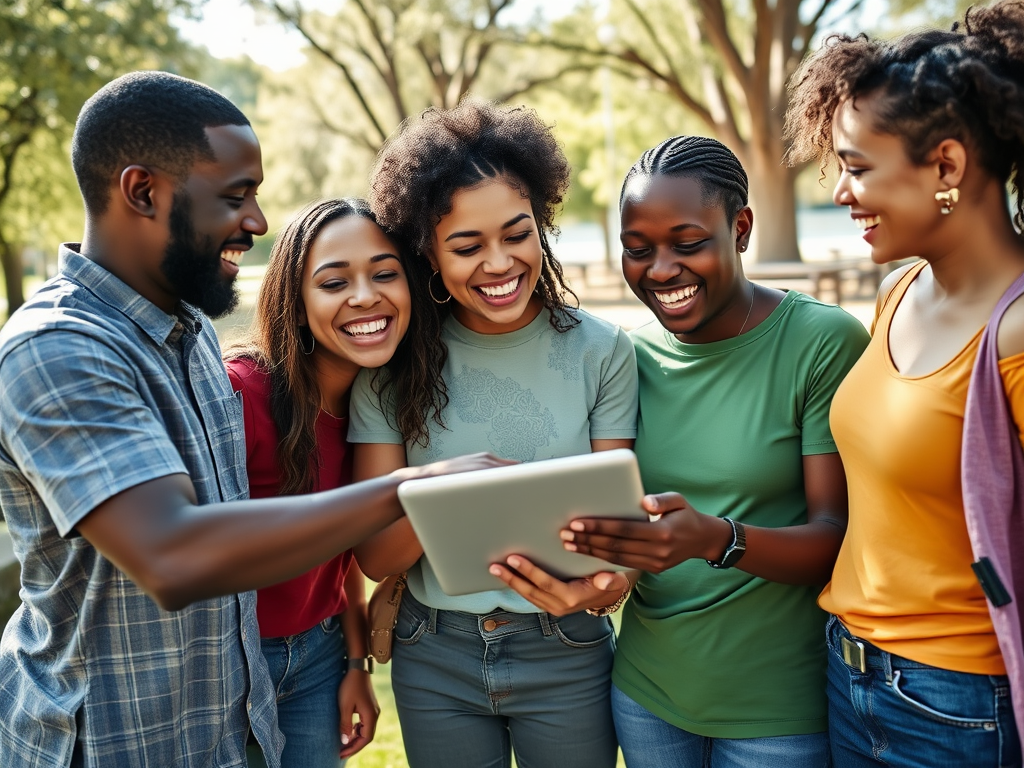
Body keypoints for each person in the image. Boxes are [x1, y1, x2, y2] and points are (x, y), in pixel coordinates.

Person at [0, 71, 504, 768]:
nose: (260, 223)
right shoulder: (55, 347)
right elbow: (172, 554)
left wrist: (347, 657)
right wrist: (417, 488)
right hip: (108, 741)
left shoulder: (189, 334)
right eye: (236, 197)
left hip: (224, 724)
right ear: (143, 192)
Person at [534, 135, 869, 768]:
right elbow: (619, 523)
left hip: (777, 711)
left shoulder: (820, 342)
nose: (660, 271)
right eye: (639, 251)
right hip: (646, 697)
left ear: (740, 229)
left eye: (688, 244)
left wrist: (717, 538)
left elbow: (838, 537)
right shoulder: (625, 357)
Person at [348, 99, 639, 768]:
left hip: (565, 645)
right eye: (467, 245)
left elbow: (617, 535)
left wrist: (608, 584)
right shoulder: (391, 371)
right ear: (429, 251)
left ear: (543, 224)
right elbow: (376, 557)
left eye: (518, 233)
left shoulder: (603, 352)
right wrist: (452, 494)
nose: (499, 262)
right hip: (434, 651)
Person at [783, 3, 1024, 765]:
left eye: (858, 168)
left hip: (957, 706)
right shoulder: (900, 292)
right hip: (851, 675)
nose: (842, 192)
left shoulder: (1016, 333)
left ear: (946, 167)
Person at [225, 197, 443, 766]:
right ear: (296, 305)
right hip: (231, 662)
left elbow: (341, 552)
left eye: (385, 273)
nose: (365, 296)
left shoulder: (380, 411)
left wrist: (354, 664)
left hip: (319, 660)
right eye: (333, 281)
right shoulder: (240, 395)